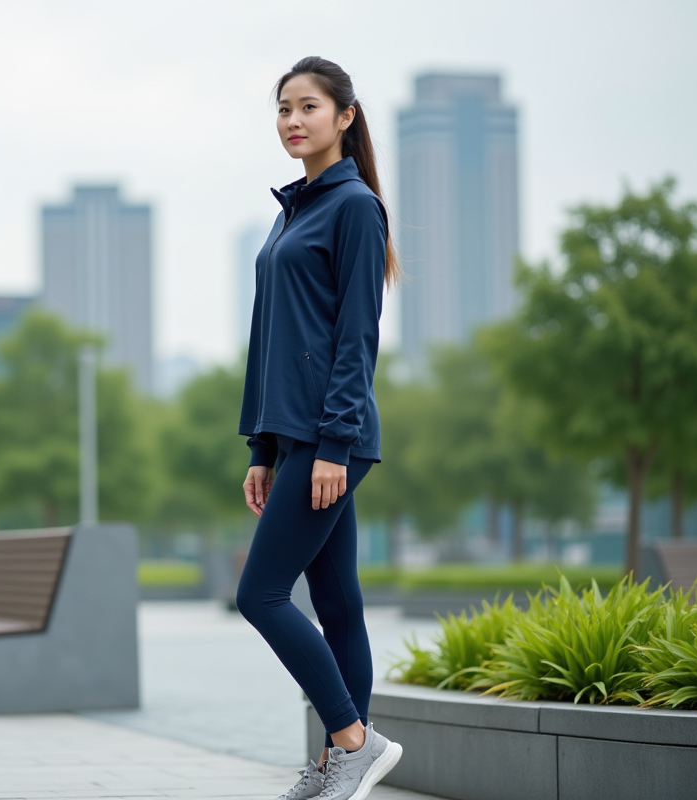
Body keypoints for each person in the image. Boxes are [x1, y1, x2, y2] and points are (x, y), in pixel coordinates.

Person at [236, 56, 403, 800]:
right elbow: (270, 334)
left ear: (345, 118)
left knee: (261, 594)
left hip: (330, 436)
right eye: (283, 109)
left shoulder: (355, 207)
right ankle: (346, 769)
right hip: (294, 435)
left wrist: (333, 443)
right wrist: (262, 448)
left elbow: (354, 337)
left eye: (308, 107)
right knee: (336, 603)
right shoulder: (292, 210)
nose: (293, 120)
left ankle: (352, 741)